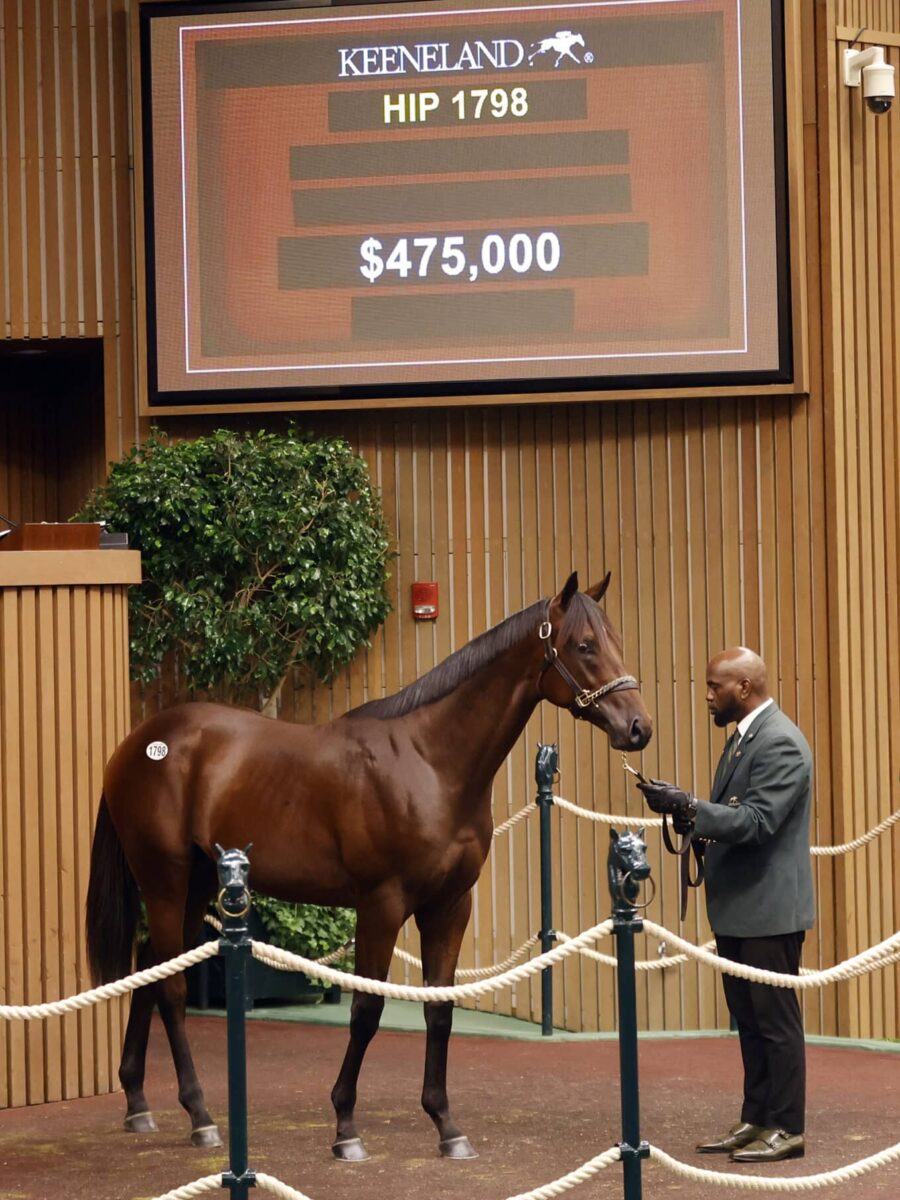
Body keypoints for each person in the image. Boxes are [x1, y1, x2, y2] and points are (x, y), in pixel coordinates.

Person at [635, 647, 813, 1164]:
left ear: (743, 688)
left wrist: (690, 806)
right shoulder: (744, 739)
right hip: (742, 907)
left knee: (776, 1025)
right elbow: (731, 814)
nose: (708, 696)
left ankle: (788, 1127)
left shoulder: (780, 742)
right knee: (750, 1021)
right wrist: (685, 807)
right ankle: (758, 1118)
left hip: (769, 911)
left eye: (715, 687)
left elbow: (757, 821)